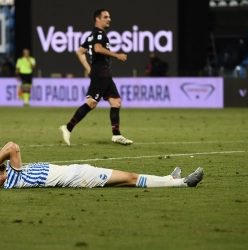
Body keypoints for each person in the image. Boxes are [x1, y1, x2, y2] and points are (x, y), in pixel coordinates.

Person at [59, 9, 133, 146]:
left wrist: (88, 69)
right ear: (97, 19)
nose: (109, 19)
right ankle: (67, 127)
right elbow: (98, 49)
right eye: (106, 17)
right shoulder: (99, 34)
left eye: (109, 16)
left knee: (116, 102)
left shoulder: (92, 35)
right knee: (91, 103)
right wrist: (117, 55)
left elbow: (79, 52)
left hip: (104, 75)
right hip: (100, 75)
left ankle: (116, 135)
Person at [0, 141, 204, 189]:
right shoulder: (12, 180)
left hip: (77, 170)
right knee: (130, 178)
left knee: (130, 177)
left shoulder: (10, 170)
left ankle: (170, 178)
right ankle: (183, 183)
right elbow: (13, 146)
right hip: (79, 178)